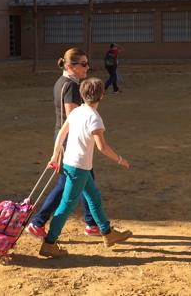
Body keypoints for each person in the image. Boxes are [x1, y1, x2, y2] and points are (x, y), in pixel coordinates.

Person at [39, 77, 132, 258]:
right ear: (102, 96)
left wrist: (54, 154)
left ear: (82, 95)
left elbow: (61, 134)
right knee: (66, 206)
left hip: (73, 164)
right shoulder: (95, 118)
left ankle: (107, 233)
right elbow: (102, 147)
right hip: (79, 168)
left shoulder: (76, 112)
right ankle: (49, 243)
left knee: (94, 197)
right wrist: (120, 159)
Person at [27, 48, 102, 239]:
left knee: (85, 181)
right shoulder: (70, 86)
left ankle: (92, 224)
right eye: (83, 64)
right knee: (67, 184)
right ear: (70, 66)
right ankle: (38, 222)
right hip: (69, 140)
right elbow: (72, 117)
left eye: (87, 63)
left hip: (64, 137)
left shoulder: (62, 82)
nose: (87, 67)